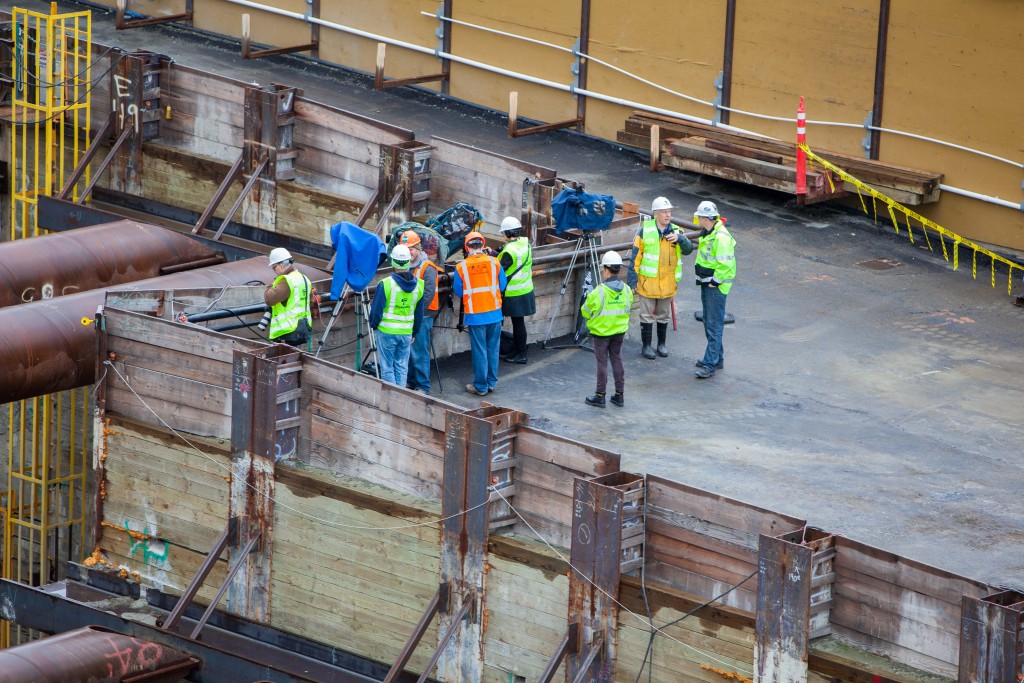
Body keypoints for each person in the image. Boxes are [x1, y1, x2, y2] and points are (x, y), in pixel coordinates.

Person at [626, 196, 693, 360]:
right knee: (646, 316)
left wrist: (681, 240)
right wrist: (632, 280)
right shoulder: (645, 230)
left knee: (664, 315)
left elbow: (688, 250)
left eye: (669, 212)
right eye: (664, 212)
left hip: (668, 284)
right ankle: (646, 347)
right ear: (655, 214)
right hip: (648, 284)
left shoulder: (677, 231)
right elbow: (635, 257)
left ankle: (661, 345)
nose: (668, 215)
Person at [453, 231, 507, 396]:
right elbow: (503, 285)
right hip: (495, 313)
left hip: (476, 315)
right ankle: (491, 383)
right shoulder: (495, 262)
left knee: (480, 351)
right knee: (492, 349)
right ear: (482, 245)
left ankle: (481, 386)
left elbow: (459, 291)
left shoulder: (461, 267)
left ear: (467, 248)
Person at [581, 251, 633, 408]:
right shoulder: (626, 289)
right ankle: (619, 395)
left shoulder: (598, 292)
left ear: (606, 270)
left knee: (602, 362)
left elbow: (585, 311)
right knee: (617, 359)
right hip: (619, 332)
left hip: (601, 333)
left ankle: (600, 395)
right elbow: (628, 306)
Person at [369, 244, 425, 387]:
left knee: (387, 368)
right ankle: (401, 397)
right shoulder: (419, 285)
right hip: (406, 333)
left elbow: (376, 311)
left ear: (392, 262)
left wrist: (374, 326)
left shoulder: (386, 284)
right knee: (401, 367)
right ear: (408, 261)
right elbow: (419, 313)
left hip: (386, 332)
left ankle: (390, 399)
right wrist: (414, 332)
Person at [692, 200, 736, 379]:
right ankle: (717, 359)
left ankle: (710, 364)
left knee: (713, 324)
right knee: (710, 321)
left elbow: (725, 265)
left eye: (699, 218)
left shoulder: (720, 237)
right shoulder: (711, 233)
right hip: (708, 282)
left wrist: (715, 283)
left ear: (705, 218)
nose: (697, 220)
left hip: (715, 286)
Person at [401, 231, 439, 393]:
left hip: (423, 315)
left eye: (411, 248)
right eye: (405, 249)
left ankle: (423, 385)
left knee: (420, 351)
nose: (409, 252)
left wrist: (415, 315)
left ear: (418, 248)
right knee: (409, 350)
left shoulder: (428, 267)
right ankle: (411, 381)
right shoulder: (406, 265)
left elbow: (428, 295)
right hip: (410, 314)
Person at [497, 216, 536, 364]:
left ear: (507, 233)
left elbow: (499, 268)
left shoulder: (509, 252)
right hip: (526, 289)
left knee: (518, 324)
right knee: (518, 323)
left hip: (514, 293)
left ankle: (521, 354)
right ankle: (517, 351)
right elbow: (509, 251)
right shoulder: (525, 243)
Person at [263, 247, 313, 348]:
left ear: (281, 265)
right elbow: (310, 301)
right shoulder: (304, 278)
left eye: (274, 267)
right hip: (302, 328)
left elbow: (269, 299)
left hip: (287, 332)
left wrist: (270, 286)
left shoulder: (286, 281)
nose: (274, 270)